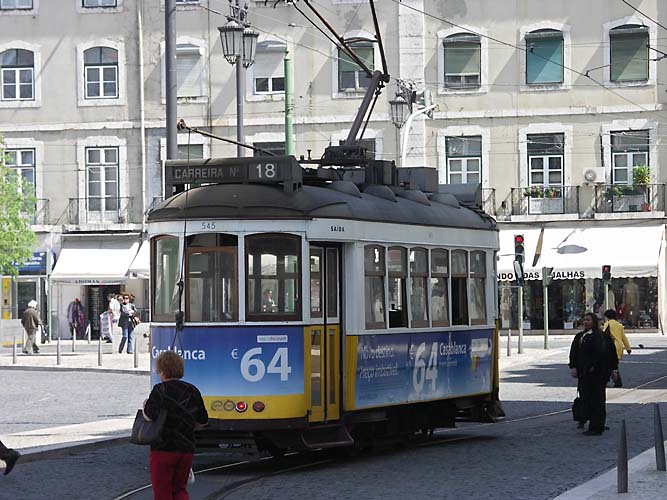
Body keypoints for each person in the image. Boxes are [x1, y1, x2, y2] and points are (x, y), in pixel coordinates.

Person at [142, 351, 208, 500]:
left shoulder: (160, 390)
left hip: (163, 448)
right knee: (180, 490)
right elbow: (203, 420)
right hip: (186, 448)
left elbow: (149, 416)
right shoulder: (192, 390)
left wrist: (146, 405)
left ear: (162, 370)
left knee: (162, 492)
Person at [568, 312, 618, 435]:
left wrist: (613, 369)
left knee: (597, 400)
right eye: (584, 320)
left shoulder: (601, 337)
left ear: (594, 322)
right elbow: (574, 352)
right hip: (584, 374)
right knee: (585, 398)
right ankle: (588, 420)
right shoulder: (580, 336)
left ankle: (597, 426)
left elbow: (609, 354)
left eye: (588, 320)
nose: (585, 322)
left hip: (598, 374)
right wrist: (573, 366)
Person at [603, 309, 632, 388]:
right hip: (619, 347)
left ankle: (609, 381)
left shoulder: (607, 324)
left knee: (608, 365)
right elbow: (624, 338)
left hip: (610, 347)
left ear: (607, 317)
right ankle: (615, 381)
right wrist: (628, 348)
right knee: (613, 365)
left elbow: (604, 336)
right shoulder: (619, 325)